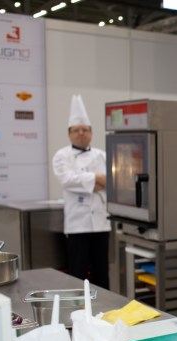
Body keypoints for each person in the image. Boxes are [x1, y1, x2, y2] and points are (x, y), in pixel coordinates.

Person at [52, 94, 111, 289]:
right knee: (77, 273)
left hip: (101, 224)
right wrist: (97, 179)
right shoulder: (61, 156)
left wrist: (88, 180)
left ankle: (105, 306)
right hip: (77, 224)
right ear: (69, 134)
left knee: (102, 272)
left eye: (85, 129)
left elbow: (112, 181)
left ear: (91, 133)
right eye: (76, 130)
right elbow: (67, 179)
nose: (81, 133)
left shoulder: (103, 155)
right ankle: (78, 306)